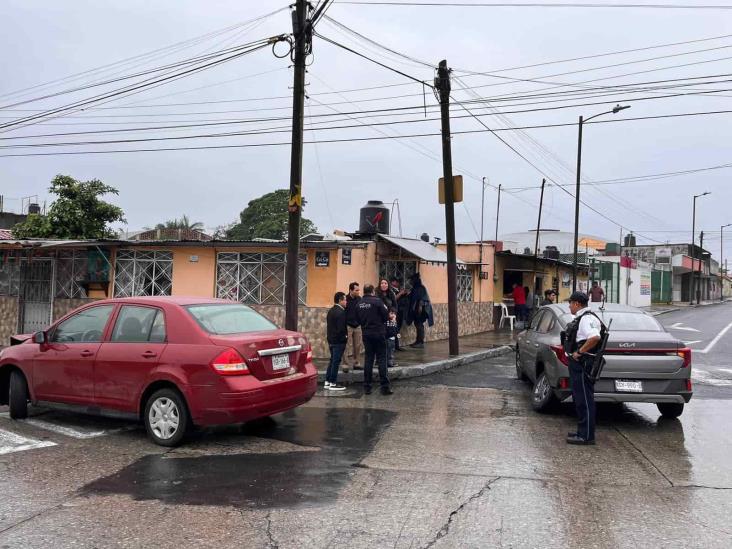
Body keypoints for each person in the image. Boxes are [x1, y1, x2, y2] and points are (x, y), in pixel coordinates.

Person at [563, 291, 603, 446]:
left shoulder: (587, 319)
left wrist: (579, 352)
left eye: (571, 303)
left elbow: (595, 337)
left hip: (583, 362)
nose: (569, 306)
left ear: (577, 304)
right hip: (580, 362)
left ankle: (586, 436)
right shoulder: (583, 317)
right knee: (580, 398)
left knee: (584, 399)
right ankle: (582, 431)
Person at [356, 284, 392, 395]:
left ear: (364, 291)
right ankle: (384, 387)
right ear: (372, 291)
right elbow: (386, 316)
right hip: (379, 333)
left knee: (368, 359)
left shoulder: (359, 304)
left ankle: (367, 387)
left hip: (366, 334)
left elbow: (358, 320)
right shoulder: (377, 302)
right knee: (382, 359)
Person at [324, 292, 347, 391]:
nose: (346, 302)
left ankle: (327, 381)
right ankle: (333, 383)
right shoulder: (341, 312)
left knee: (332, 360)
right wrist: (345, 337)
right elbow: (341, 329)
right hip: (338, 341)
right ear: (340, 300)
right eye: (345, 300)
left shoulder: (331, 311)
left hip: (331, 340)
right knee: (336, 362)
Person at [406, 273, 433, 348]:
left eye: (412, 280)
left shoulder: (421, 288)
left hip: (420, 311)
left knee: (419, 325)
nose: (410, 281)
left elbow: (422, 299)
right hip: (416, 309)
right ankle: (418, 341)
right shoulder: (415, 288)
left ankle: (420, 342)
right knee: (417, 325)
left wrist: (420, 308)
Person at [345, 282, 362, 371]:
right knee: (347, 345)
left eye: (358, 290)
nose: (358, 292)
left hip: (357, 325)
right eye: (356, 290)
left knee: (357, 345)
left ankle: (357, 363)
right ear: (351, 290)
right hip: (348, 326)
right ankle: (345, 365)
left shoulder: (359, 299)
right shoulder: (345, 299)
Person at [391, 277, 409, 351]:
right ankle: (394, 346)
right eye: (397, 282)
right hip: (395, 313)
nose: (398, 284)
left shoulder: (397, 290)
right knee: (394, 329)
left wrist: (404, 293)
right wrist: (400, 293)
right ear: (393, 282)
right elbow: (393, 299)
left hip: (401, 312)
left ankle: (397, 345)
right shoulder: (391, 290)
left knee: (398, 330)